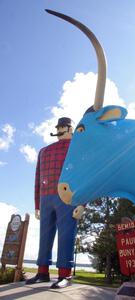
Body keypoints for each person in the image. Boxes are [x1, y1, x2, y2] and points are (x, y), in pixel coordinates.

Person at [26, 117, 84, 289]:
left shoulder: (78, 148)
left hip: (68, 196)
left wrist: (83, 203)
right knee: (44, 235)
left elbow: (83, 176)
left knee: (66, 234)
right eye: (58, 126)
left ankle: (64, 274)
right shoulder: (43, 151)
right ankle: (42, 271)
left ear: (69, 128)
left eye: (62, 127)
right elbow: (38, 178)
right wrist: (37, 204)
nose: (59, 129)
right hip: (45, 198)